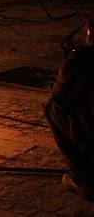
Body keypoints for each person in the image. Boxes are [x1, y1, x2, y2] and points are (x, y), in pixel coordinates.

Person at [45, 18, 94, 201]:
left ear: (89, 33)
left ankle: (82, 179)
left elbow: (60, 99)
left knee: (53, 109)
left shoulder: (85, 59)